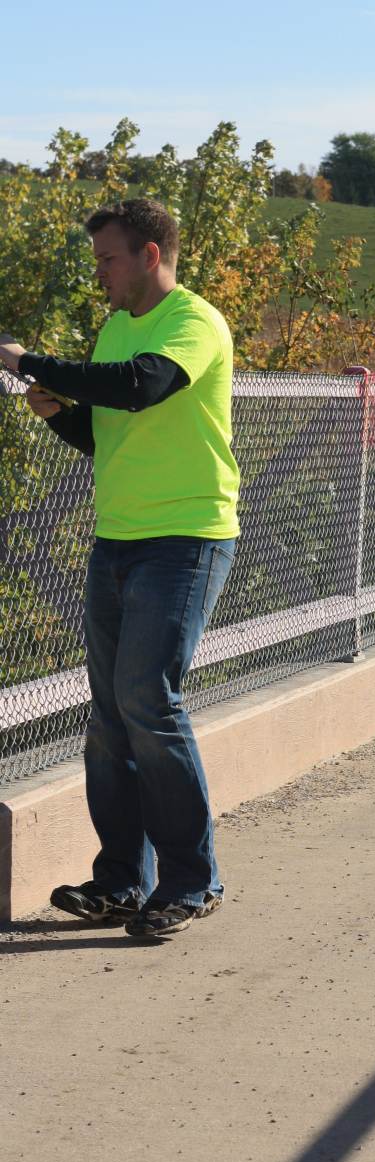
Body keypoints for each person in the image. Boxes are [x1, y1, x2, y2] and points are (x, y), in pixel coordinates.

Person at [0, 198, 239, 939]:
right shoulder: (115, 325)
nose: (99, 273)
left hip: (187, 539)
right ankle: (120, 884)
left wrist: (26, 360)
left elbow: (142, 387)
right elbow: (111, 437)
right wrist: (55, 413)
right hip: (117, 542)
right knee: (108, 722)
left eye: (108, 259)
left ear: (149, 256)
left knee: (147, 701)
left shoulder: (193, 321)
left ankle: (192, 882)